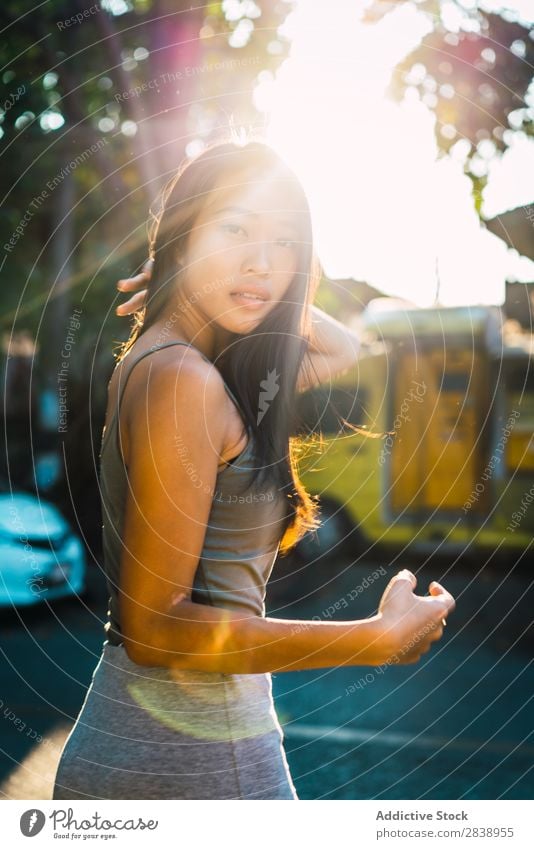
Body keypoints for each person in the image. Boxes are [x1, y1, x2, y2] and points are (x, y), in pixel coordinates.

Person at [52, 137, 455, 801]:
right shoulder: (183, 378)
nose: (262, 262)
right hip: (188, 762)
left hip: (177, 749)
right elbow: (157, 629)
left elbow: (343, 346)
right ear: (182, 233)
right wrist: (373, 639)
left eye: (285, 241)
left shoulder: (199, 368)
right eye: (234, 227)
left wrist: (219, 273)